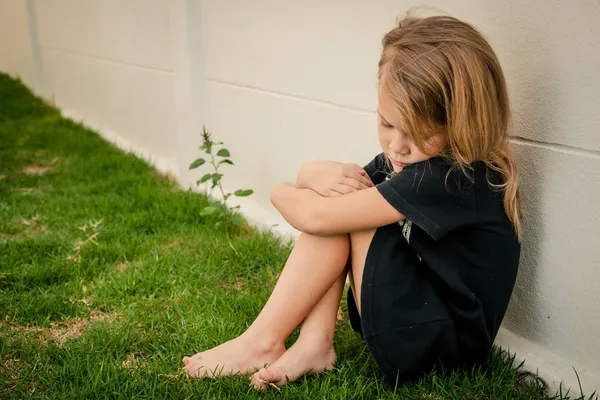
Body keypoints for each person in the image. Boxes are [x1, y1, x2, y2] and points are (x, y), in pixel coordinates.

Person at [182, 13, 521, 389]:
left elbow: (316, 216)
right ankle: (313, 344)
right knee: (345, 199)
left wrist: (283, 187)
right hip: (423, 324)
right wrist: (313, 174)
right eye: (387, 123)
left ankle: (262, 341)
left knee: (344, 209)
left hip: (436, 346)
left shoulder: (452, 176)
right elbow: (329, 200)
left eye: (420, 133)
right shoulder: (416, 164)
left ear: (461, 122)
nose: (397, 146)